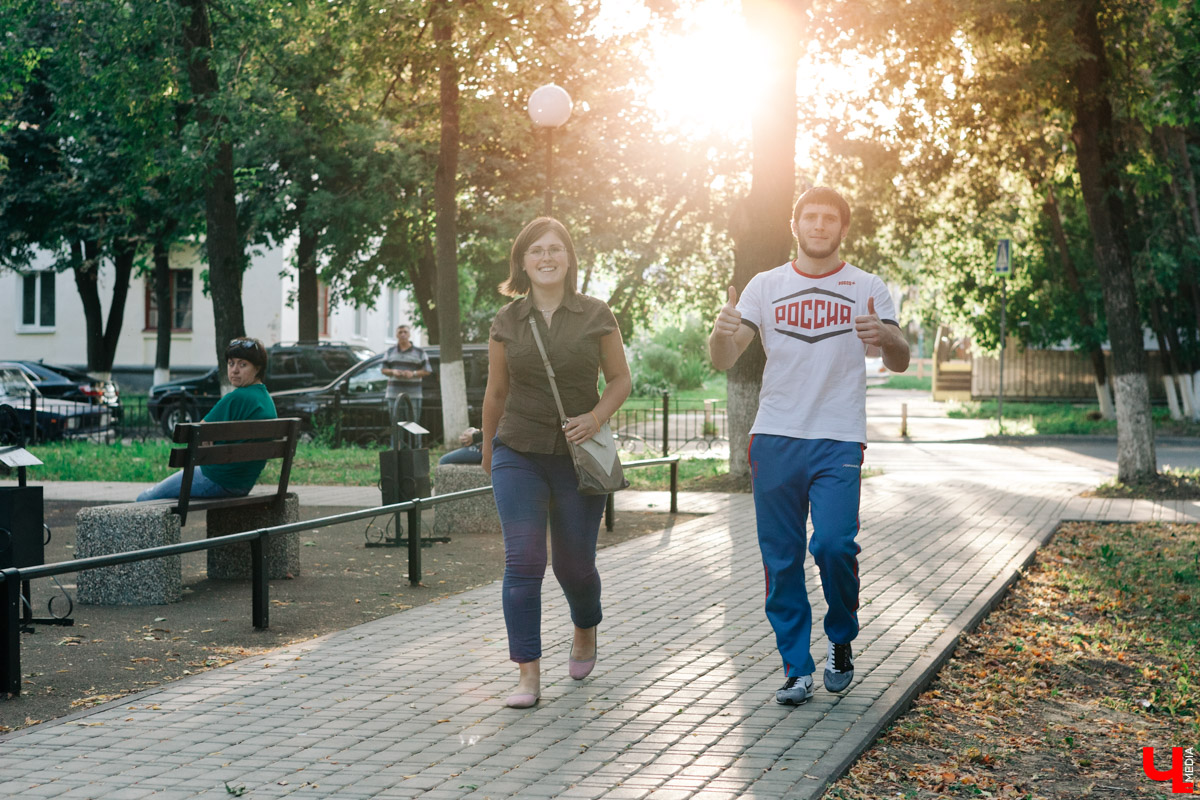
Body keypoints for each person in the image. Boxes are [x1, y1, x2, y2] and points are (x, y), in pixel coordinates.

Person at [708, 186, 910, 706]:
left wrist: (885, 336)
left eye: (829, 219)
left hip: (837, 436)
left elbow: (900, 359)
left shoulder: (866, 285)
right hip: (775, 436)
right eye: (810, 217)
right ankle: (796, 667)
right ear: (795, 225)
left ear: (843, 228)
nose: (819, 226)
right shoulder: (765, 284)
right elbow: (726, 358)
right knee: (782, 560)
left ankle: (841, 638)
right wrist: (720, 331)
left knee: (834, 545)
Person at [482, 216, 632, 708]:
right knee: (523, 561)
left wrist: (595, 417)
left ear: (569, 259)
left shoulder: (595, 314)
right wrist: (488, 452)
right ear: (522, 262)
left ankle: (585, 627)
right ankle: (527, 675)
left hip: (576, 457)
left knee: (574, 567)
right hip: (518, 451)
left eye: (555, 250)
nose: (546, 258)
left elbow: (619, 380)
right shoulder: (507, 320)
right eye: (535, 251)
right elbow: (496, 391)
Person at [138, 337, 278, 501]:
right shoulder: (265, 399)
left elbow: (198, 434)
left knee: (144, 498)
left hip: (217, 479)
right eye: (231, 363)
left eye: (243, 364)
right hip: (242, 484)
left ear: (257, 368)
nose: (234, 370)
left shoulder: (237, 398)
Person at [381, 324, 432, 425]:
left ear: (409, 335)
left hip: (413, 395)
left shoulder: (420, 352)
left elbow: (427, 370)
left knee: (413, 425)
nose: (403, 334)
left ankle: (414, 442)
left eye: (405, 332)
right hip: (393, 395)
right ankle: (397, 442)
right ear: (396, 335)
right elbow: (383, 369)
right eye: (400, 332)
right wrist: (393, 372)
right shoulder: (390, 351)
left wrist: (413, 373)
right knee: (395, 425)